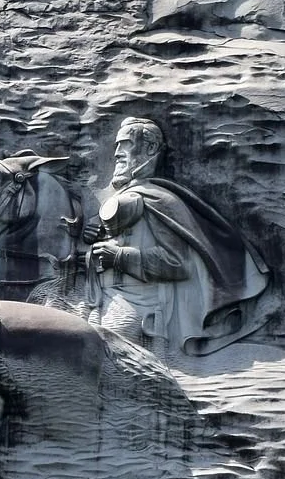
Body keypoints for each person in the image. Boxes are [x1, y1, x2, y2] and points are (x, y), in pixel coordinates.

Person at [87, 117, 268, 357]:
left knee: (97, 352)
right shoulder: (127, 198)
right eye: (117, 145)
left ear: (150, 148)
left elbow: (178, 264)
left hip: (140, 309)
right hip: (103, 299)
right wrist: (92, 249)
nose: (117, 152)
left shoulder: (160, 200)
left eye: (126, 144)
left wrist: (120, 256)